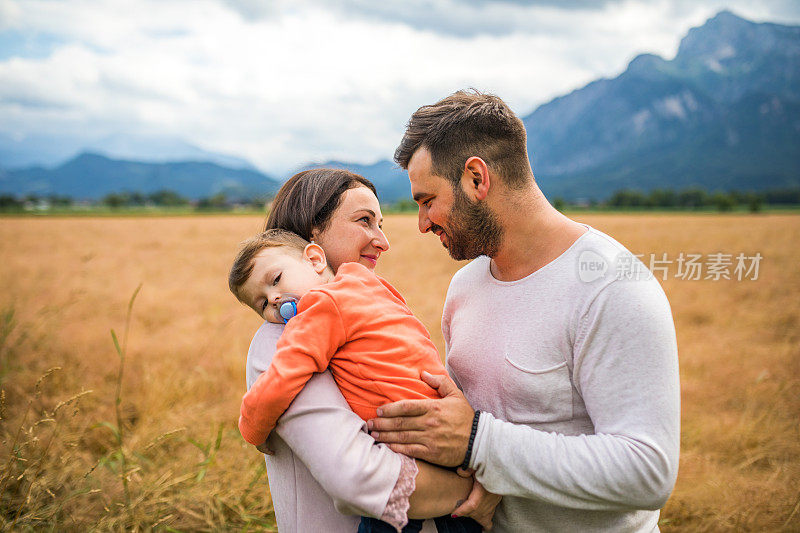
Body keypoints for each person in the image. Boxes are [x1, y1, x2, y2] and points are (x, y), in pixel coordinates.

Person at [368, 90, 681, 531]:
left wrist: (477, 441)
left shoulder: (614, 286)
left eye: (427, 201)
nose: (421, 223)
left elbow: (648, 472)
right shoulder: (465, 287)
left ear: (476, 178)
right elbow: (469, 428)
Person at [241, 168, 499, 532]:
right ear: (312, 236)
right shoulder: (278, 341)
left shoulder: (367, 305)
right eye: (365, 221)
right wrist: (477, 489)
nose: (382, 241)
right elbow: (360, 478)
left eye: (381, 225)